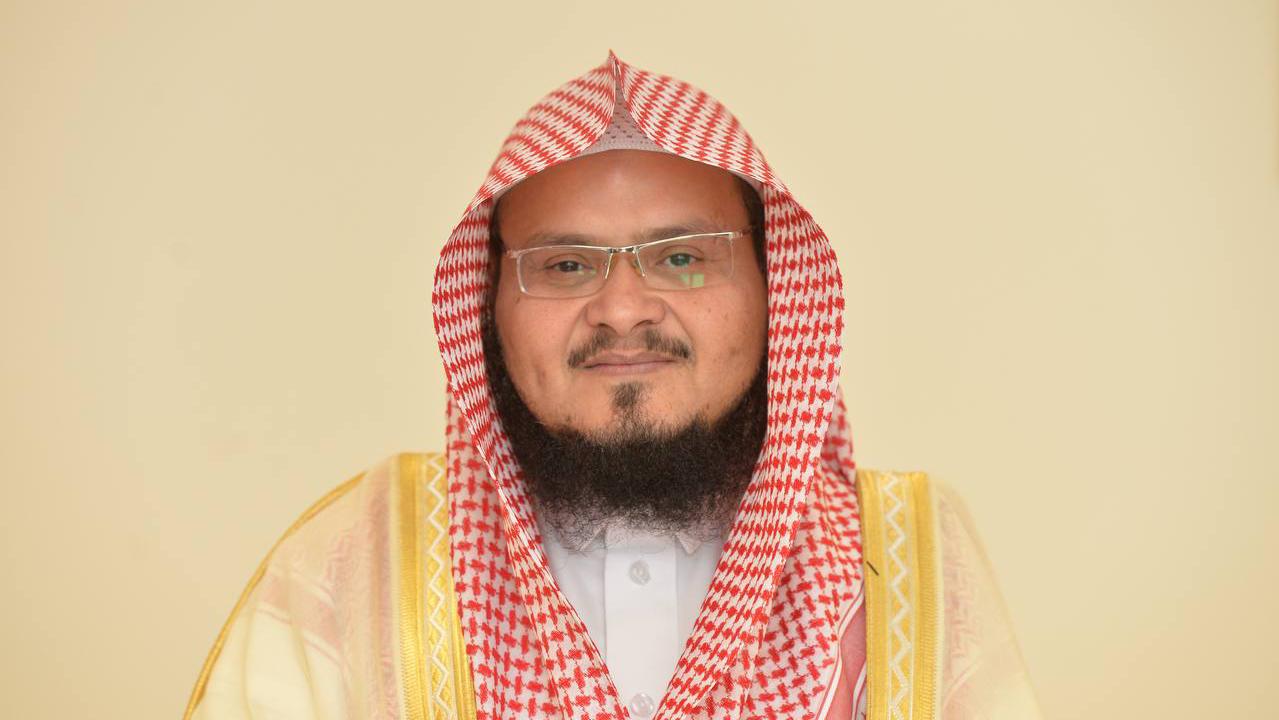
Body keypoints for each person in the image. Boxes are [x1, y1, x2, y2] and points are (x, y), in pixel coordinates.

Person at [184, 52, 1043, 720]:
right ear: (486, 308)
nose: (623, 309)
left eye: (682, 257)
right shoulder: (355, 566)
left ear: (774, 291)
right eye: (564, 265)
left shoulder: (903, 563)